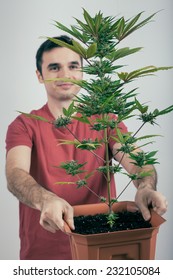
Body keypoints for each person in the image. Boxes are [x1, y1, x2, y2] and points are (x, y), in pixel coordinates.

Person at [5, 35, 167, 260]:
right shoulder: (25, 124)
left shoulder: (105, 119)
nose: (65, 75)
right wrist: (45, 199)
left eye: (73, 66)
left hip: (103, 249)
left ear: (82, 72)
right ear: (39, 76)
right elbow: (15, 174)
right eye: (54, 68)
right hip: (43, 255)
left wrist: (145, 186)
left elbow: (137, 161)